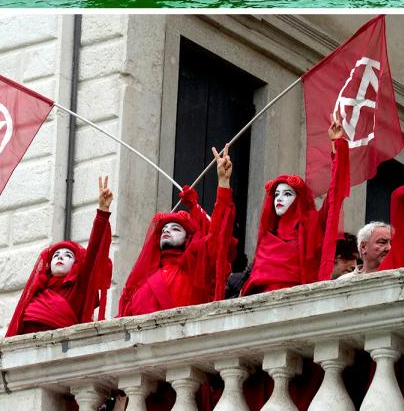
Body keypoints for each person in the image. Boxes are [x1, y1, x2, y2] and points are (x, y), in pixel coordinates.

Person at [119, 148, 236, 316]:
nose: (167, 231)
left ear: (187, 238)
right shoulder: (142, 281)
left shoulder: (194, 268)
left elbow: (217, 237)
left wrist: (223, 183)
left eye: (175, 228)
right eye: (164, 229)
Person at [242, 115, 349, 295]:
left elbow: (335, 193)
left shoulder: (312, 227)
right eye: (276, 194)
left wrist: (337, 146)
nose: (279, 199)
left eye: (287, 194)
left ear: (299, 199)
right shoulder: (268, 235)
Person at [5, 176, 113, 336]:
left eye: (68, 255)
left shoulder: (78, 288)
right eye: (56, 255)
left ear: (75, 265)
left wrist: (102, 213)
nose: (60, 257)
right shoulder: (36, 292)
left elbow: (94, 251)